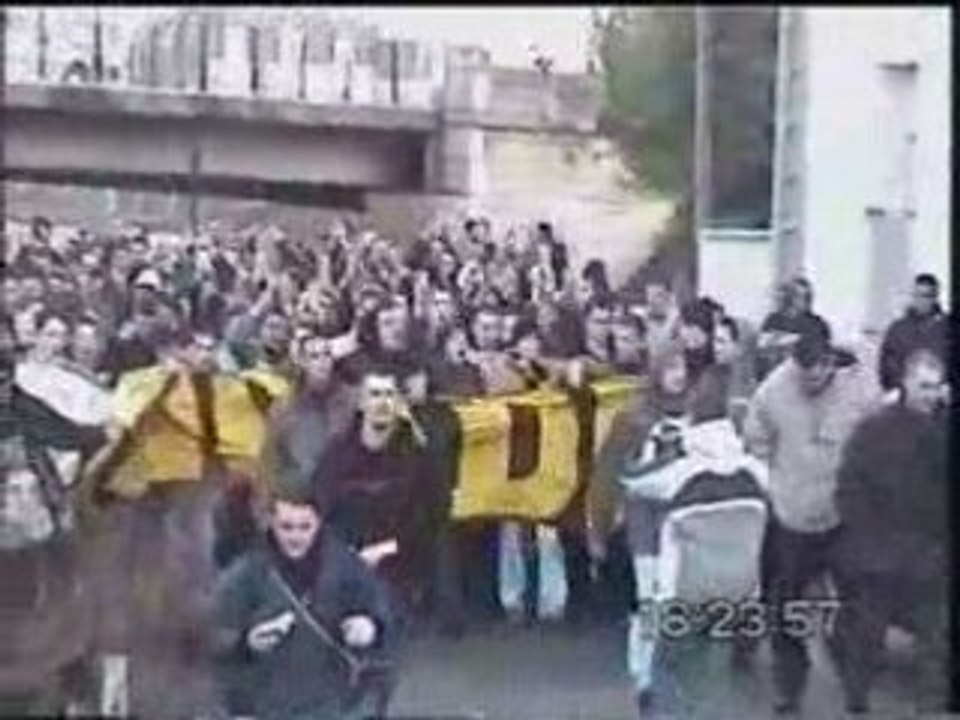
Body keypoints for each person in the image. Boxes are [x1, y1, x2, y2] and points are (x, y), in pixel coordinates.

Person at [743, 324, 879, 714]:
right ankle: (789, 684)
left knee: (854, 610)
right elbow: (755, 438)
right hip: (792, 517)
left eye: (820, 370)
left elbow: (875, 432)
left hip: (842, 516)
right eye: (805, 372)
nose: (813, 379)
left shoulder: (858, 386)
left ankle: (856, 688)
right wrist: (776, 477)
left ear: (831, 362)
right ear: (794, 365)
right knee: (786, 609)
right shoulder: (773, 391)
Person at [212, 486, 400, 720]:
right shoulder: (246, 573)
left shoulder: (346, 566)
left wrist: (369, 627)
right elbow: (215, 637)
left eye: (305, 527)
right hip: (267, 706)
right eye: (287, 527)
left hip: (337, 705)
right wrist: (247, 642)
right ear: (271, 521)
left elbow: (385, 615)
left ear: (319, 522)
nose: (296, 536)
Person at [831, 349, 949, 714]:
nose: (931, 394)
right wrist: (865, 542)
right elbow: (848, 490)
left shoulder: (942, 433)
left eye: (936, 386)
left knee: (935, 646)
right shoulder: (873, 431)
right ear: (905, 383)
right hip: (878, 558)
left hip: (927, 558)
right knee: (866, 643)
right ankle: (856, 706)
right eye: (923, 386)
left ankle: (929, 708)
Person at [316, 371, 433, 616]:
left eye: (389, 395)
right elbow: (323, 509)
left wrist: (385, 550)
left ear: (399, 403)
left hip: (400, 564)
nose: (382, 402)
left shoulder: (416, 456)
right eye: (375, 394)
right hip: (343, 559)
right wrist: (350, 554)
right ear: (361, 403)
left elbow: (424, 519)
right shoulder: (336, 453)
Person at [877, 273, 949, 393]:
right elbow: (887, 364)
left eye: (926, 296)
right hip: (906, 395)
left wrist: (943, 385)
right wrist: (899, 386)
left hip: (940, 396)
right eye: (916, 295)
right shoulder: (898, 329)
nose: (920, 301)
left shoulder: (948, 328)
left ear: (935, 297)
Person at [756, 277, 831, 381]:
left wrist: (788, 340)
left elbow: (822, 352)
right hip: (775, 375)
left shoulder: (817, 323)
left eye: (800, 296)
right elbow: (763, 345)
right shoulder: (774, 319)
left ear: (808, 298)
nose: (794, 300)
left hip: (805, 377)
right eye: (792, 294)